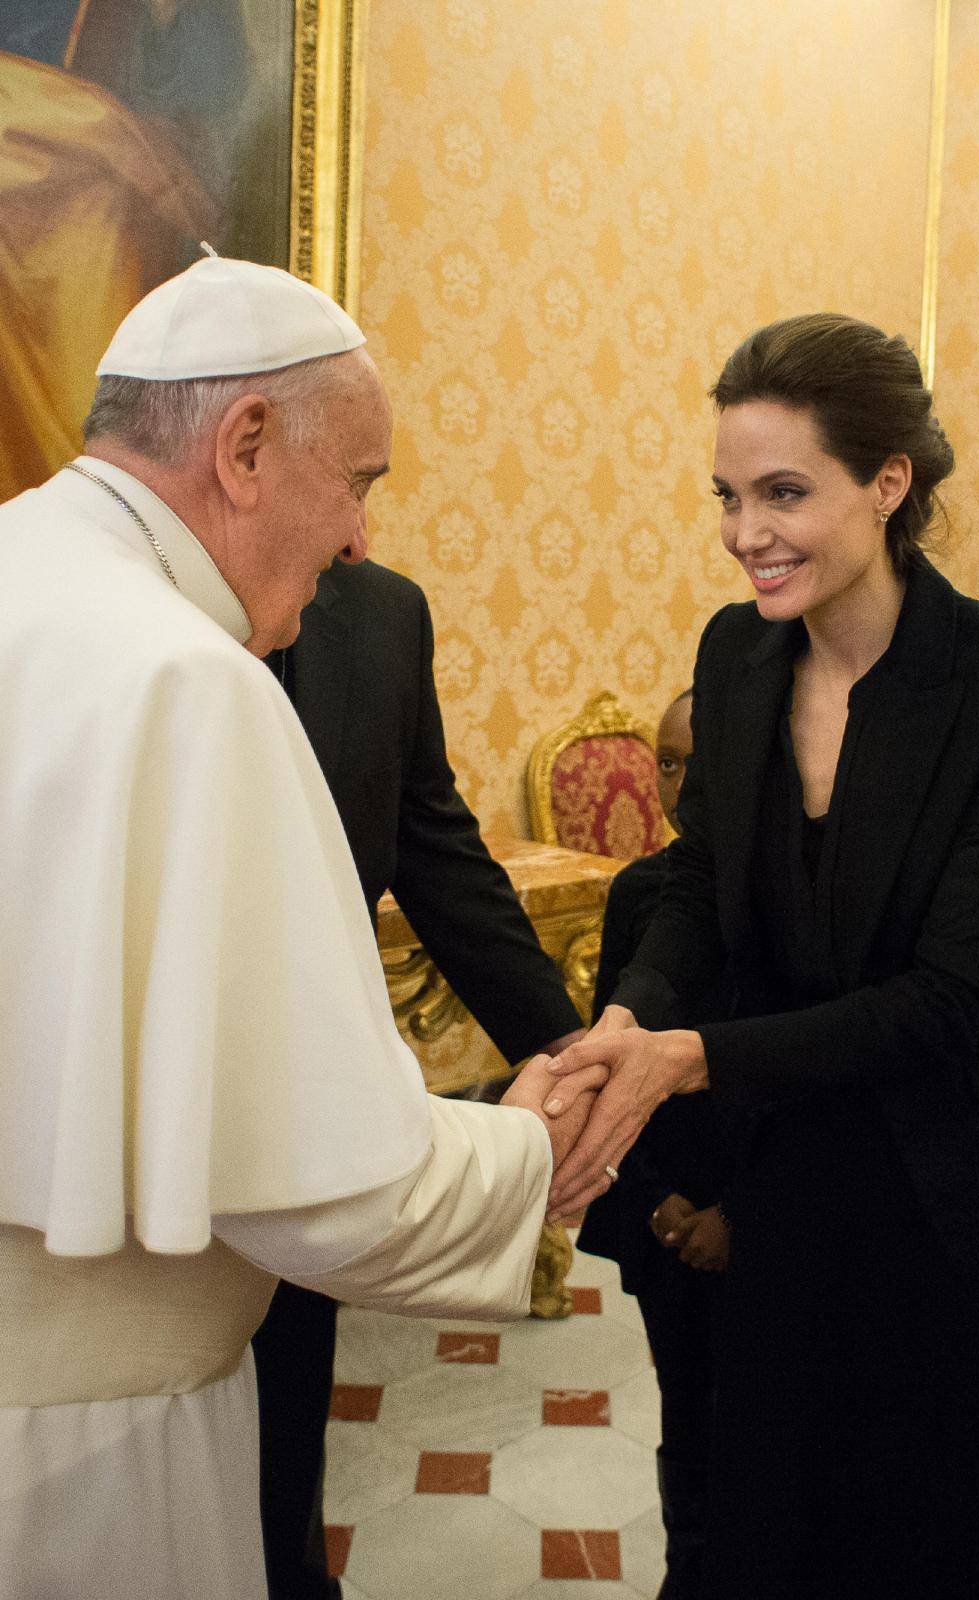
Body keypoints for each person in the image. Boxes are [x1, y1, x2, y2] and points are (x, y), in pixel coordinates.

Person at [0, 255, 603, 1600]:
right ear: (248, 444)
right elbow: (331, 1187)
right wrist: (533, 1154)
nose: (358, 539)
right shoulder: (184, 678)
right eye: (362, 482)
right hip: (79, 1449)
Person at [544, 313, 979, 1598]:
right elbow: (699, 893)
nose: (744, 533)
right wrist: (629, 1017)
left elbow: (952, 999)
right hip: (783, 1188)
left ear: (888, 481)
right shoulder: (735, 656)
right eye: (727, 496)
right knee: (770, 1525)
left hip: (951, 1199)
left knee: (934, 1539)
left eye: (784, 493)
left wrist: (689, 1054)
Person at [255, 557, 583, 1600]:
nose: (361, 525)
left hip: (310, 1114)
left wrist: (573, 1067)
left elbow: (436, 851)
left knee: (282, 1436)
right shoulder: (111, 604)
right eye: (352, 479)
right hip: (138, 1145)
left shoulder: (385, 615)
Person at [577, 688, 736, 1599]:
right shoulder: (642, 895)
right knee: (688, 1405)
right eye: (668, 762)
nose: (682, 783)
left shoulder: (786, 904)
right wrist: (651, 1197)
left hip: (763, 1207)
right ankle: (691, 1567)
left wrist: (738, 1214)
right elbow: (612, 1059)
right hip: (667, 1206)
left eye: (701, 758)